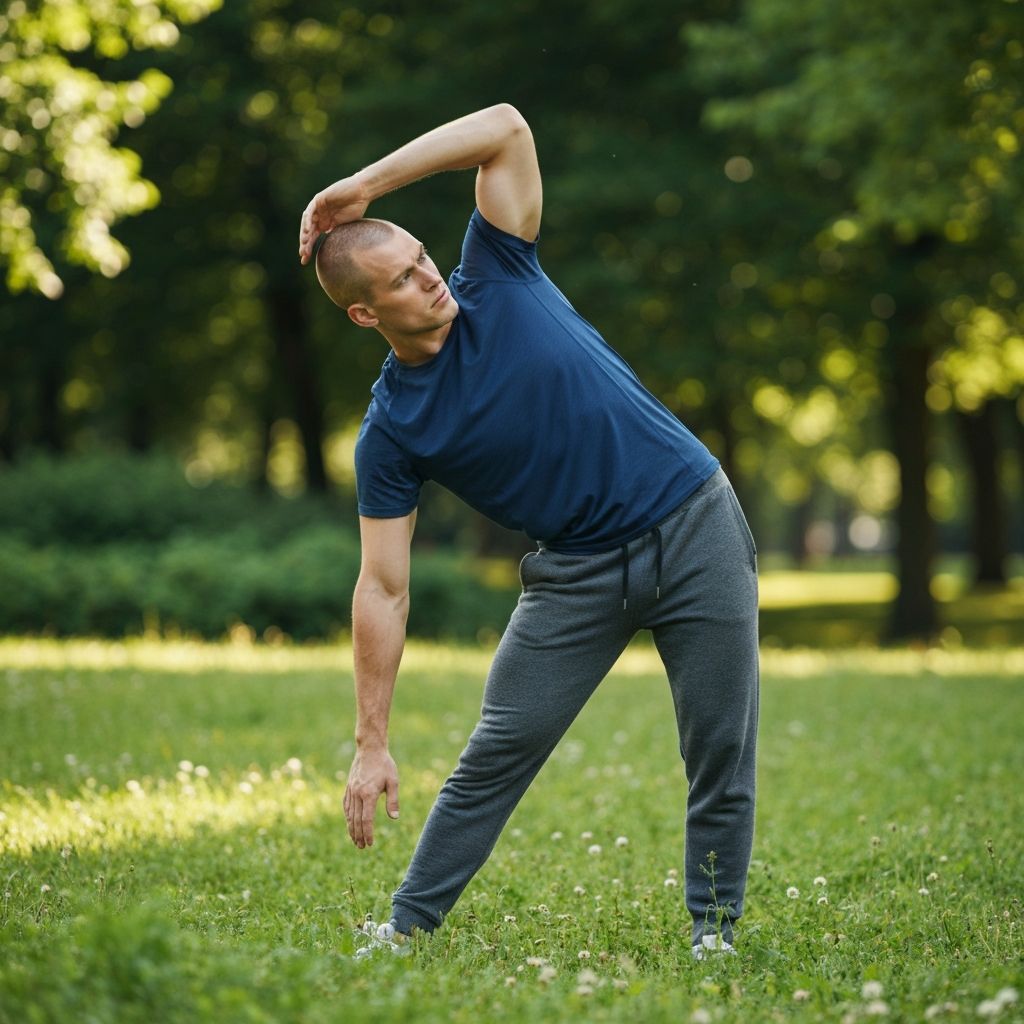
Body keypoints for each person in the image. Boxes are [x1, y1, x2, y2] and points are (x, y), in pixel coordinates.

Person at [297, 104, 759, 961]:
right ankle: (404, 930)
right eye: (399, 280)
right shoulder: (392, 432)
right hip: (580, 574)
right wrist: (371, 742)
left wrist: (362, 187)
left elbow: (506, 126)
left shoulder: (498, 273)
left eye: (421, 258)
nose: (428, 279)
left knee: (720, 747)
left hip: (696, 520)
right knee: (497, 749)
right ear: (366, 316)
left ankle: (715, 935)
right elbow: (383, 586)